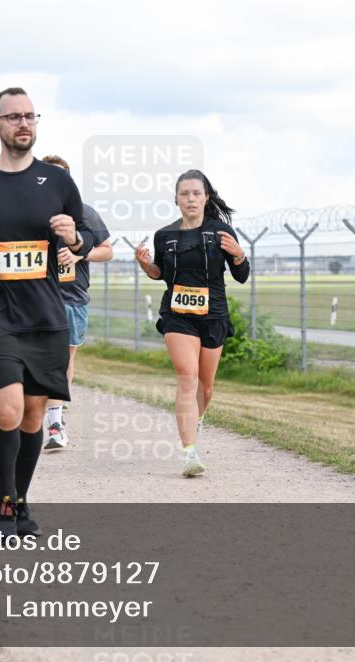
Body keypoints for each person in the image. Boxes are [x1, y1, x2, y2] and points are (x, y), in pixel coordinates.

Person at [0, 87, 94, 537]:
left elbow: (85, 237)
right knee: (7, 410)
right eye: (13, 117)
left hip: (45, 316)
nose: (23, 123)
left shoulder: (58, 182)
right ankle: (4, 503)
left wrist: (75, 237)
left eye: (30, 116)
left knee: (32, 416)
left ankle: (20, 501)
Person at [135, 169, 249, 477]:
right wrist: (146, 265)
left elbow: (241, 276)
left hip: (213, 315)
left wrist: (239, 255)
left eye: (196, 193)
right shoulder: (165, 235)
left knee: (205, 388)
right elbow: (161, 275)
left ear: (206, 197)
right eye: (184, 194)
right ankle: (189, 454)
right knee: (187, 376)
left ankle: (195, 420)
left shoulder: (221, 232)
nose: (191, 199)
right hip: (177, 314)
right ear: (176, 199)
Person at [39, 155, 114, 449]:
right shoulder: (30, 212)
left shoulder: (85, 213)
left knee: (63, 359)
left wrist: (80, 254)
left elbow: (107, 250)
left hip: (73, 297)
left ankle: (55, 421)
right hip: (36, 296)